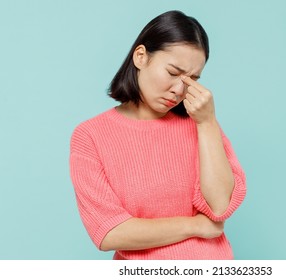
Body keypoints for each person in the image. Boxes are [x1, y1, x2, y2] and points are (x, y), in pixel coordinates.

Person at [69, 10, 246, 260]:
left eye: (192, 79)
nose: (178, 90)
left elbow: (219, 206)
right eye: (173, 73)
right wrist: (194, 226)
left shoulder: (202, 125)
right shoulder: (91, 136)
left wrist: (207, 123)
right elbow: (109, 232)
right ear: (141, 57)